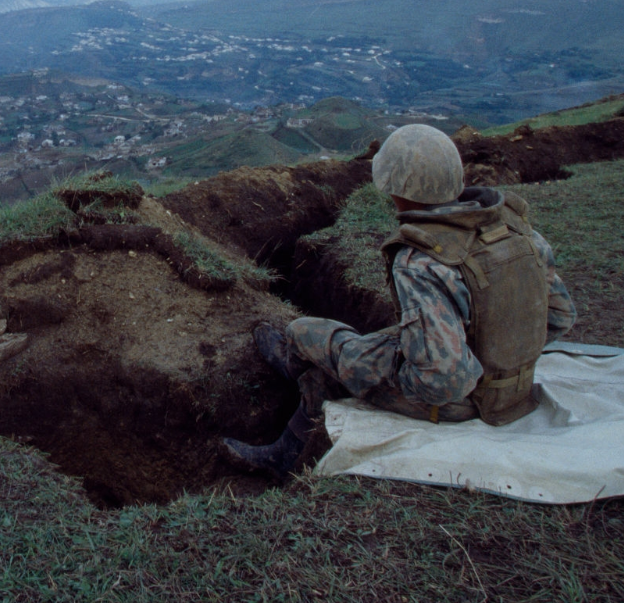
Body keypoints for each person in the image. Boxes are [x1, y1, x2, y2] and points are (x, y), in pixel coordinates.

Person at [221, 123, 577, 479]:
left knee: (307, 336)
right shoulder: (517, 231)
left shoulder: (421, 260)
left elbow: (444, 381)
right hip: (515, 391)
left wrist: (381, 368)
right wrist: (496, 349)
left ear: (396, 186)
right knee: (353, 362)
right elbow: (560, 316)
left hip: (464, 402)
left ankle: (284, 443)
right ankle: (293, 420)